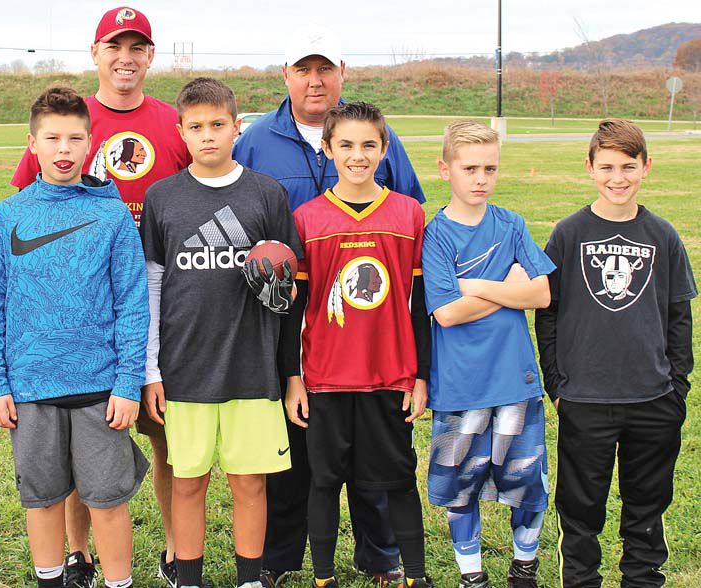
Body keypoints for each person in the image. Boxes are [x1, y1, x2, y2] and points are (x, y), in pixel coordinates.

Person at [232, 26, 424, 587]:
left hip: (373, 328)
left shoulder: (377, 136)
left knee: (375, 461)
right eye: (303, 69)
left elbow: (409, 212)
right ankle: (284, 557)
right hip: (292, 316)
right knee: (298, 452)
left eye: (324, 69)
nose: (314, 80)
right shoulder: (257, 139)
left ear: (341, 71)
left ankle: (380, 554)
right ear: (285, 75)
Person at [10, 9, 189, 585]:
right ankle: (77, 554)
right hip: (84, 312)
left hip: (158, 299)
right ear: (96, 52)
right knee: (77, 437)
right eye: (116, 45)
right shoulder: (70, 120)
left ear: (151, 56)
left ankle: (171, 549)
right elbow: (29, 206)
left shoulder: (171, 122)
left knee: (162, 437)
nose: (126, 58)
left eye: (138, 47)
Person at [0, 86, 150, 588]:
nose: (64, 149)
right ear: (32, 143)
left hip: (99, 387)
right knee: (43, 497)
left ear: (91, 143)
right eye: (52, 137)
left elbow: (132, 303)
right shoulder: (10, 215)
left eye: (75, 137)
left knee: (107, 501)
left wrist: (127, 383)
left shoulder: (112, 214)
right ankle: (52, 577)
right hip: (29, 387)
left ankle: (118, 581)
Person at [139, 77, 302, 588]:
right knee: (187, 481)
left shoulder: (266, 193)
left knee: (249, 483)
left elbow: (290, 286)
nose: (207, 135)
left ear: (237, 127)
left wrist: (279, 294)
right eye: (196, 127)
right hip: (185, 368)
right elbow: (152, 288)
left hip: (252, 366)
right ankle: (188, 577)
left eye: (217, 125)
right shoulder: (162, 197)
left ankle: (250, 578)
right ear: (181, 132)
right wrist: (150, 370)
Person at [535, 119, 696, 588]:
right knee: (582, 505)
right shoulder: (568, 234)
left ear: (647, 167)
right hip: (585, 398)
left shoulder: (663, 235)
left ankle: (642, 578)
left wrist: (677, 388)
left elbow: (678, 317)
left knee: (647, 502)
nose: (618, 177)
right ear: (589, 168)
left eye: (628, 166)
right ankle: (581, 580)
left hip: (653, 398)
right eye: (606, 167)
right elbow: (548, 315)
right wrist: (557, 384)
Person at [284, 102, 432, 588]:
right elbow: (295, 309)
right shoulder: (306, 219)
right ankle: (323, 576)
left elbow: (417, 304)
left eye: (369, 145)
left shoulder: (409, 215)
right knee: (324, 481)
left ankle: (415, 574)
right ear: (327, 150)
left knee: (397, 480)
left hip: (388, 375)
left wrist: (421, 375)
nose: (357, 155)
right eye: (346, 145)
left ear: (384, 149)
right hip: (326, 377)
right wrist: (293, 378)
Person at [422, 121, 555, 588]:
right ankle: (471, 574)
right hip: (460, 386)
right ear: (446, 170)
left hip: (514, 380)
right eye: (470, 168)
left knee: (526, 484)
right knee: (460, 488)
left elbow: (540, 294)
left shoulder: (511, 223)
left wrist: (475, 285)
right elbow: (447, 315)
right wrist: (508, 287)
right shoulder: (435, 234)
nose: (481, 178)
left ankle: (524, 566)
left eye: (490, 168)